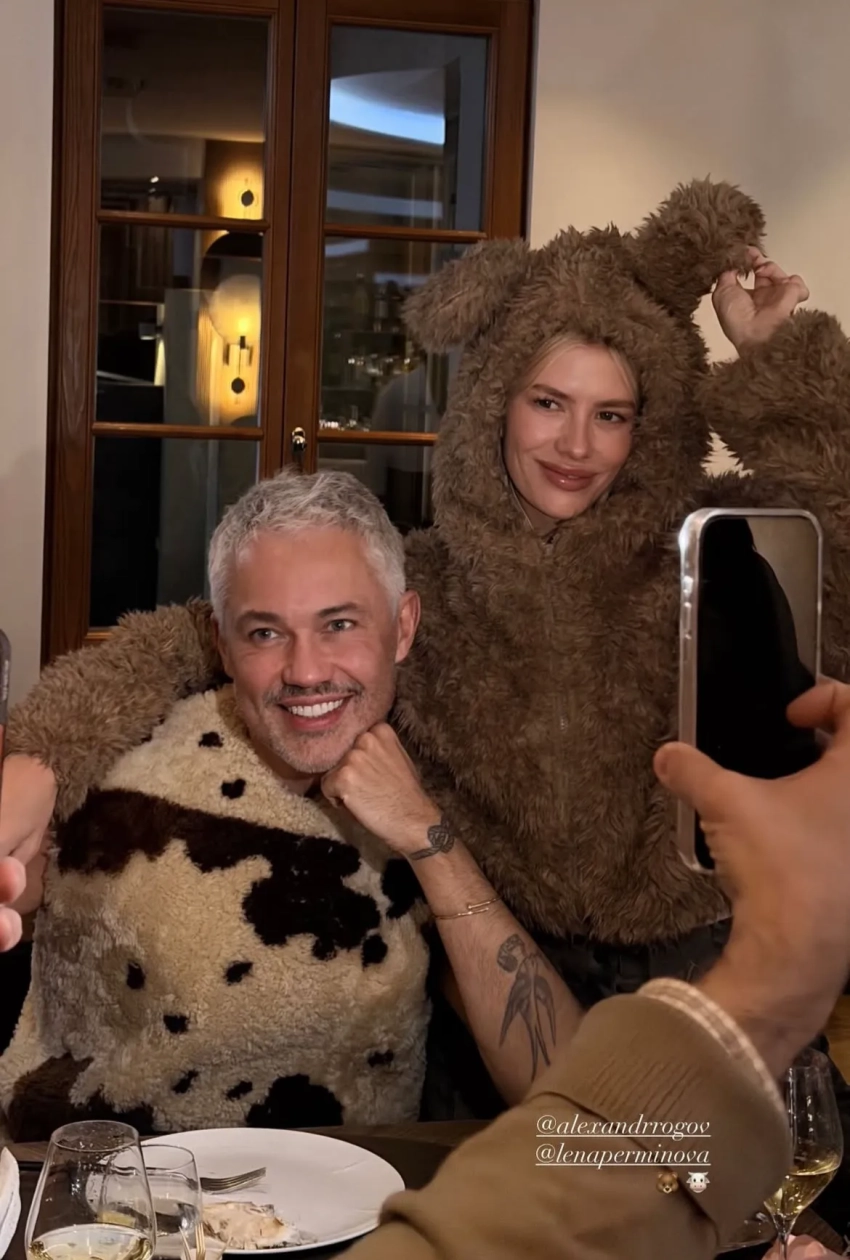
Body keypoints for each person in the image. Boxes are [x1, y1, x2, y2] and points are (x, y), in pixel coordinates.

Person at [3, 180, 850, 1112]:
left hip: (705, 954)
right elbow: (192, 637)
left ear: (646, 427)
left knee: (729, 1180)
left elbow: (841, 529)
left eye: (612, 414)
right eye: (548, 402)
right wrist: (41, 760)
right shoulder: (421, 587)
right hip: (496, 978)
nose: (576, 444)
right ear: (496, 403)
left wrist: (777, 356)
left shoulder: (713, 554)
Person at [0, 469, 589, 1138]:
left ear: (403, 627)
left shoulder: (447, 784)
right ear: (222, 643)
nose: (306, 672)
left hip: (368, 1189)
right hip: (119, 1184)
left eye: (338, 624)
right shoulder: (122, 768)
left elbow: (563, 1089)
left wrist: (425, 836)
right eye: (265, 634)